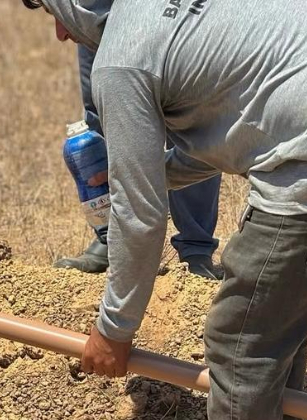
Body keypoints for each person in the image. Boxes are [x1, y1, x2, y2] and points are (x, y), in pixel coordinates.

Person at [21, 0, 307, 420]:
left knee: (240, 344)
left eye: (54, 12)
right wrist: (152, 173)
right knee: (273, 324)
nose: (60, 33)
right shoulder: (173, 19)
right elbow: (236, 122)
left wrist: (114, 329)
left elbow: (139, 218)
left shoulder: (123, 57)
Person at [54, 44, 223, 280]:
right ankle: (110, 237)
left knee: (189, 108)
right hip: (100, 10)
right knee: (100, 105)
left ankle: (196, 248)